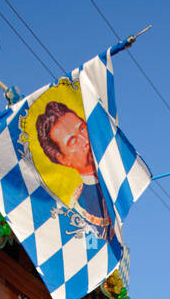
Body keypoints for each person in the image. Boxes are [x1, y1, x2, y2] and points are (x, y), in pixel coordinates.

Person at [33, 100, 112, 235]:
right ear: (62, 158)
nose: (85, 140)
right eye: (73, 141)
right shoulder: (79, 205)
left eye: (82, 128)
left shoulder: (113, 174)